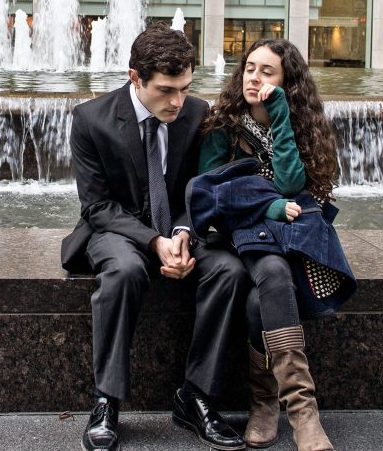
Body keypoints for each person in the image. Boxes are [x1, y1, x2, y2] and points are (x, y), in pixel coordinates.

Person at [62, 25, 247, 451]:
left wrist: (182, 232)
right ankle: (106, 400)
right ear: (135, 78)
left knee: (230, 270)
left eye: (184, 88)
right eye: (166, 90)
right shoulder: (91, 120)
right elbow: (97, 206)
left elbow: (204, 186)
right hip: (118, 228)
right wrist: (153, 241)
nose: (178, 102)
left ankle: (196, 397)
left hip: (184, 226)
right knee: (124, 271)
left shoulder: (199, 114)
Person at [197, 39, 348, 451]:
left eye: (267, 72)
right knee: (273, 272)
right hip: (239, 232)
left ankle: (265, 402)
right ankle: (303, 413)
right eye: (249, 68)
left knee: (256, 302)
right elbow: (209, 193)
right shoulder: (224, 125)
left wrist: (279, 115)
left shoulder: (298, 122)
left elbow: (291, 183)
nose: (254, 78)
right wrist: (271, 207)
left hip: (288, 236)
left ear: (286, 83)